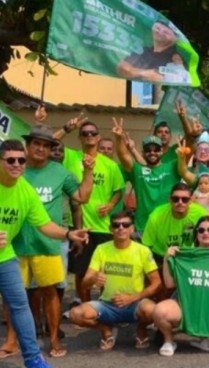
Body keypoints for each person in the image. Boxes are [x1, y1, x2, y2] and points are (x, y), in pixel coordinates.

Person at [0, 140, 89, 368]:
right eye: (11, 160)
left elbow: (44, 224)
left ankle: (33, 358)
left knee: (19, 304)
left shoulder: (25, 190)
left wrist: (69, 234)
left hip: (1, 256)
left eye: (21, 160)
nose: (17, 164)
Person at [0, 126, 94, 360]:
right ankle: (10, 341)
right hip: (14, 244)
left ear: (51, 150)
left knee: (50, 294)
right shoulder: (15, 168)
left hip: (48, 245)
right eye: (36, 143)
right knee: (13, 296)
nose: (40, 148)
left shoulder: (60, 172)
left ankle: (54, 337)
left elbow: (82, 197)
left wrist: (89, 171)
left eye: (46, 145)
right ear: (28, 146)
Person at [153, 216, 209, 356]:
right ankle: (169, 340)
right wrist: (167, 258)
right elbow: (169, 283)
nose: (206, 233)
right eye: (201, 230)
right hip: (185, 305)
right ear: (196, 234)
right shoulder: (186, 255)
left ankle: (204, 338)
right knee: (160, 311)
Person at [68, 211, 160, 350]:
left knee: (154, 311)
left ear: (132, 229)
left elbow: (156, 283)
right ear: (110, 229)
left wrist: (132, 298)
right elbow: (84, 283)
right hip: (107, 305)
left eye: (125, 224)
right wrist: (93, 278)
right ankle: (105, 329)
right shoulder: (101, 249)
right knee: (75, 315)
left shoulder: (143, 250)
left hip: (135, 303)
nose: (121, 228)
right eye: (116, 225)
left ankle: (141, 330)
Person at [63, 121, 125, 307]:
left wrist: (110, 204)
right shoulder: (71, 157)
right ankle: (85, 307)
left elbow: (119, 189)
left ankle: (107, 307)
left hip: (104, 225)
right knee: (82, 270)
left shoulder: (110, 165)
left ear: (98, 137)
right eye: (85, 133)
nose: (89, 135)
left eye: (93, 132)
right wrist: (67, 128)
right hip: (80, 224)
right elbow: (51, 142)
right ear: (80, 137)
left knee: (106, 271)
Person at [113, 120, 182, 235]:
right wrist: (119, 138)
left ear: (162, 151)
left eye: (156, 149)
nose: (152, 152)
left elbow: (190, 147)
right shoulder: (138, 170)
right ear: (143, 152)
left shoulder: (171, 167)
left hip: (167, 228)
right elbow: (123, 156)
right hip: (142, 228)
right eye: (148, 150)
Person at [142, 183, 209, 289]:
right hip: (161, 257)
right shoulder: (156, 216)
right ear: (169, 199)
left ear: (191, 200)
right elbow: (146, 248)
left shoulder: (200, 214)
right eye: (175, 199)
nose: (180, 202)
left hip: (190, 257)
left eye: (185, 199)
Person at [116, 21, 189, 83]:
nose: (160, 32)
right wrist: (146, 73)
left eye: (166, 32)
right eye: (157, 28)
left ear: (175, 38)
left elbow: (164, 80)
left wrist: (132, 71)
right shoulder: (142, 50)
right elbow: (121, 68)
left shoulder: (176, 58)